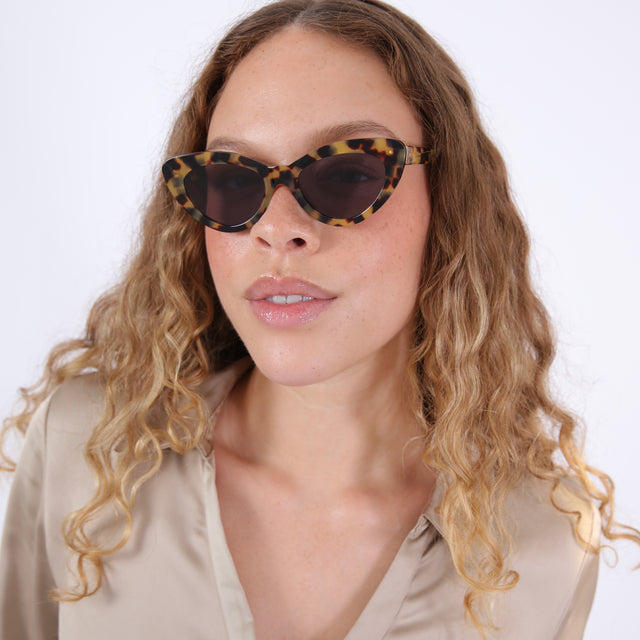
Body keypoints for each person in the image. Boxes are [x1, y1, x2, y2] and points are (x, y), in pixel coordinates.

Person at [0, 0, 638, 638]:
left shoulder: (544, 544)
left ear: (448, 203)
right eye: (233, 177)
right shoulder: (87, 449)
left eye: (348, 173)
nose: (276, 229)